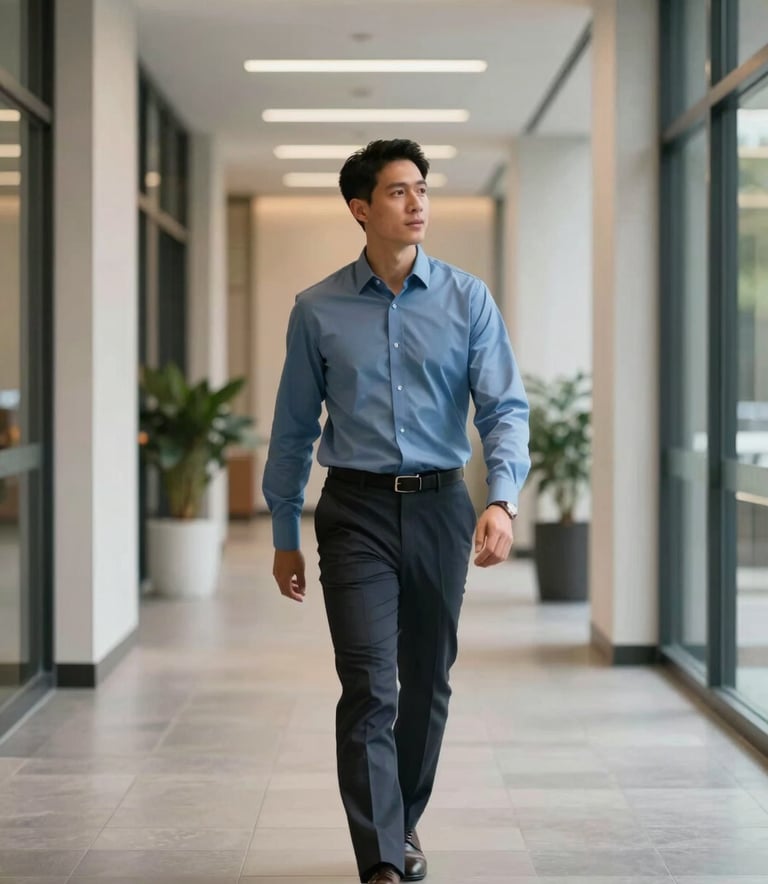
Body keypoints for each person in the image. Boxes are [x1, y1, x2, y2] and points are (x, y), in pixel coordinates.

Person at [263, 139, 529, 884]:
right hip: (354, 512)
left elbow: (504, 407)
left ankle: (401, 820)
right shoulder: (317, 310)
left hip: (443, 506)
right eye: (398, 192)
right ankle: (380, 858)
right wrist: (284, 531)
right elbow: (291, 429)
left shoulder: (467, 299)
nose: (417, 204)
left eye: (422, 189)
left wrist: (502, 499)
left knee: (427, 679)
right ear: (361, 209)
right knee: (371, 684)